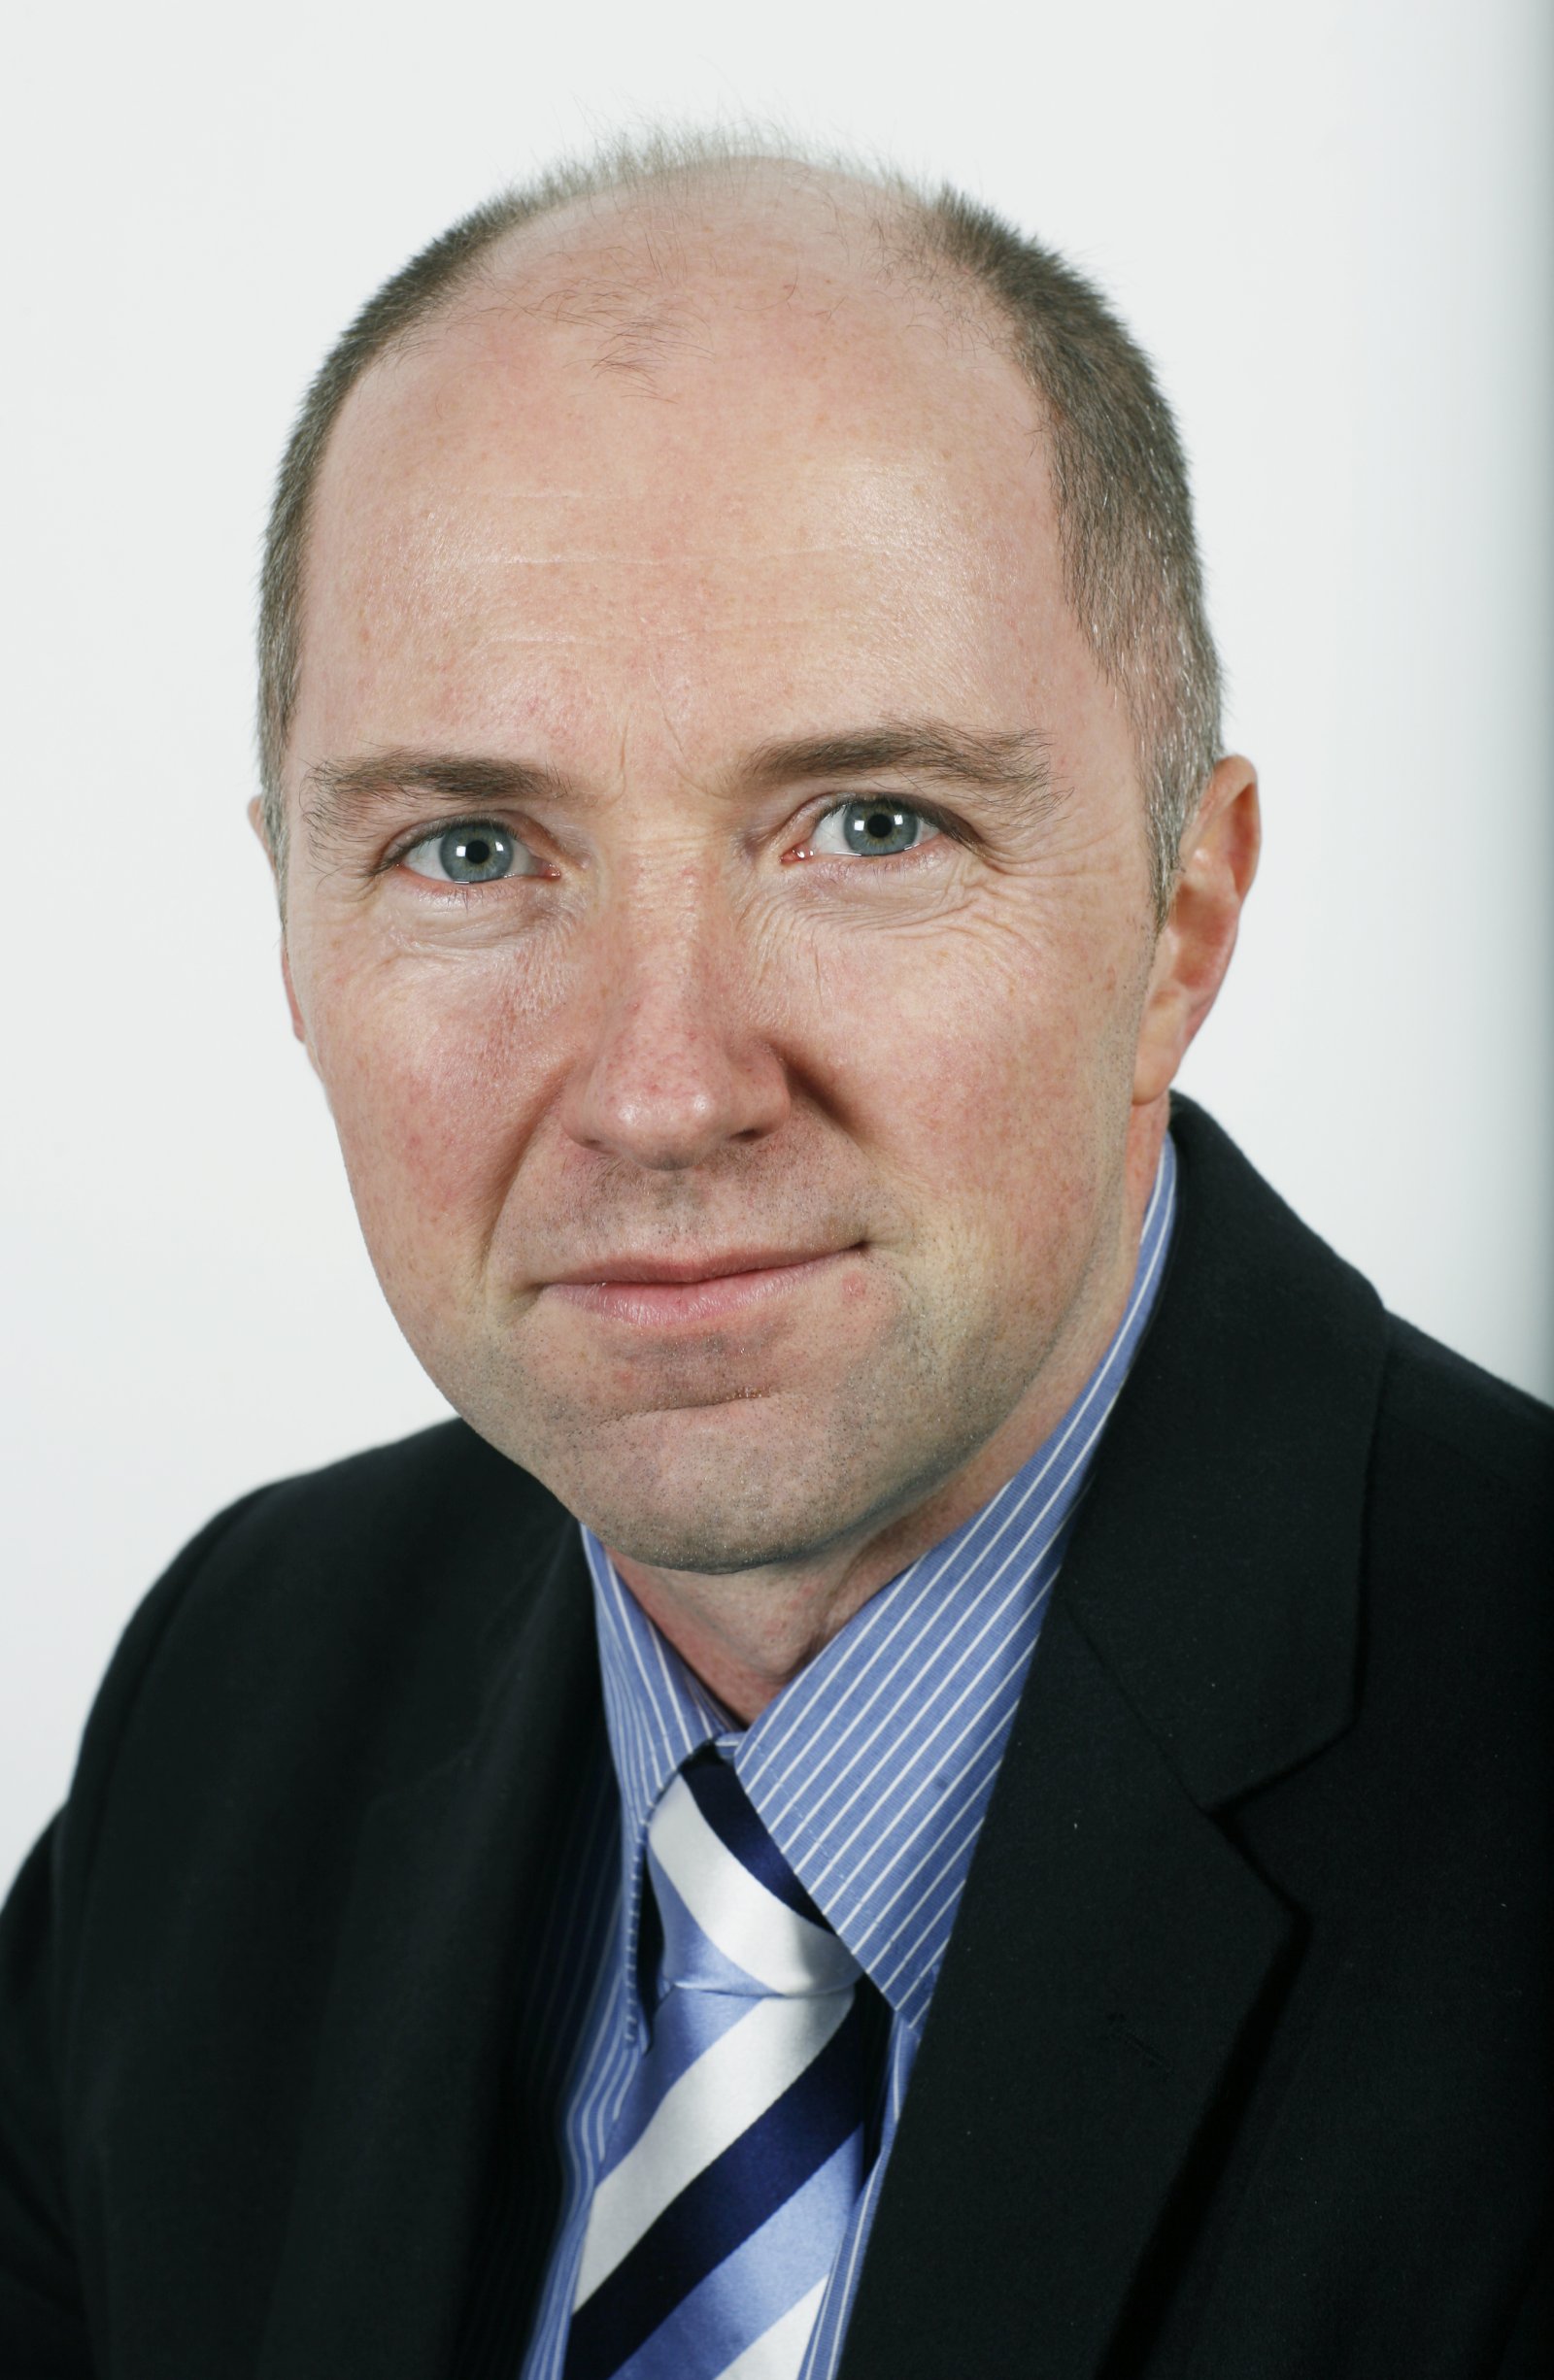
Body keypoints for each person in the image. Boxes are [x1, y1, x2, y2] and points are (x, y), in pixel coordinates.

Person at [1, 136, 1548, 2380]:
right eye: (468, 847)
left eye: (869, 826)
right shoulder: (240, 1701)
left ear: (1176, 920)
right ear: (292, 934)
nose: (662, 1087)